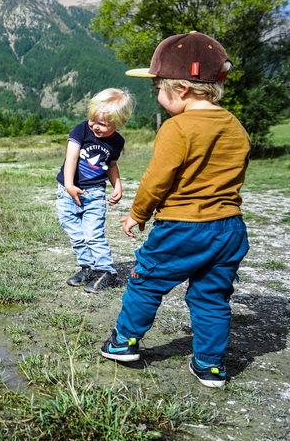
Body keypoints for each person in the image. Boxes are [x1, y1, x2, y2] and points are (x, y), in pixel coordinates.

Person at [98, 32, 249, 388]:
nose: (157, 96)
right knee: (212, 296)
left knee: (146, 282)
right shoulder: (236, 126)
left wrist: (138, 214)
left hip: (183, 227)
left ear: (180, 90)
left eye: (158, 88)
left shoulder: (177, 127)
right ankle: (210, 365)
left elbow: (157, 179)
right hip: (230, 229)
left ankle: (123, 342)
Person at [56, 88, 134, 294]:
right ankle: (87, 267)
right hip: (68, 191)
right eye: (93, 120)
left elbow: (111, 165)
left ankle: (106, 271)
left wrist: (118, 185)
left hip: (94, 193)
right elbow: (71, 158)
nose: (95, 126)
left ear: (120, 122)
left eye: (103, 124)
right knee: (76, 233)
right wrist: (69, 185)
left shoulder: (117, 142)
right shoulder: (82, 130)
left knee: (93, 234)